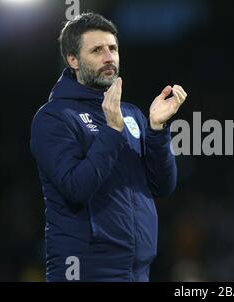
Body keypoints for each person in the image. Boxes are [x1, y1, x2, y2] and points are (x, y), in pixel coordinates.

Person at [30, 13, 187, 281]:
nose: (109, 57)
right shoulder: (54, 117)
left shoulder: (131, 114)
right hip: (84, 270)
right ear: (73, 60)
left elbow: (163, 185)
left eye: (113, 48)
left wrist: (157, 130)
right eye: (97, 50)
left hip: (138, 271)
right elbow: (76, 188)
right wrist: (112, 131)